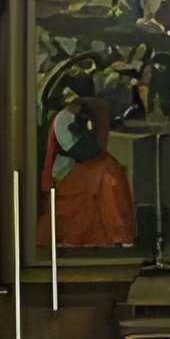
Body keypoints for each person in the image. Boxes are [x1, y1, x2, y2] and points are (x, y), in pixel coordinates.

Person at [40, 71, 135, 248]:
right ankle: (109, 234)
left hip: (86, 162)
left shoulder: (86, 113)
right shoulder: (63, 118)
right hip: (67, 167)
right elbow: (79, 151)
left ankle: (118, 234)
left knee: (111, 174)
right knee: (106, 176)